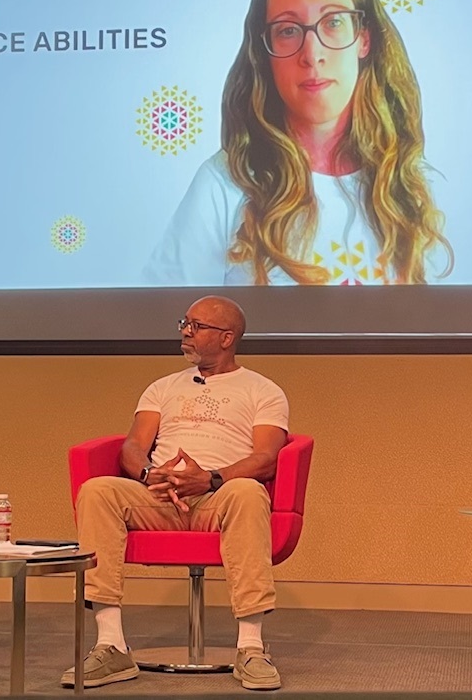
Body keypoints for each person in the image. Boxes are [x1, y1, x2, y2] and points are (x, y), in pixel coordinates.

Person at [144, 0, 453, 286]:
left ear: (364, 39)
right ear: (265, 53)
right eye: (288, 30)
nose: (311, 55)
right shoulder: (226, 183)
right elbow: (163, 325)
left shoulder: (416, 185)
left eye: (333, 22)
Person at [63, 295, 289, 691]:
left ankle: (251, 648)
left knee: (249, 493)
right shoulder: (162, 388)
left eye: (196, 326)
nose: (185, 332)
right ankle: (111, 644)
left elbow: (267, 458)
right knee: (98, 491)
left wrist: (212, 479)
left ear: (226, 337)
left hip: (219, 498)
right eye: (184, 323)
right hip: (159, 498)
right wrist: (151, 473)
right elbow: (131, 448)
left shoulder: (263, 390)